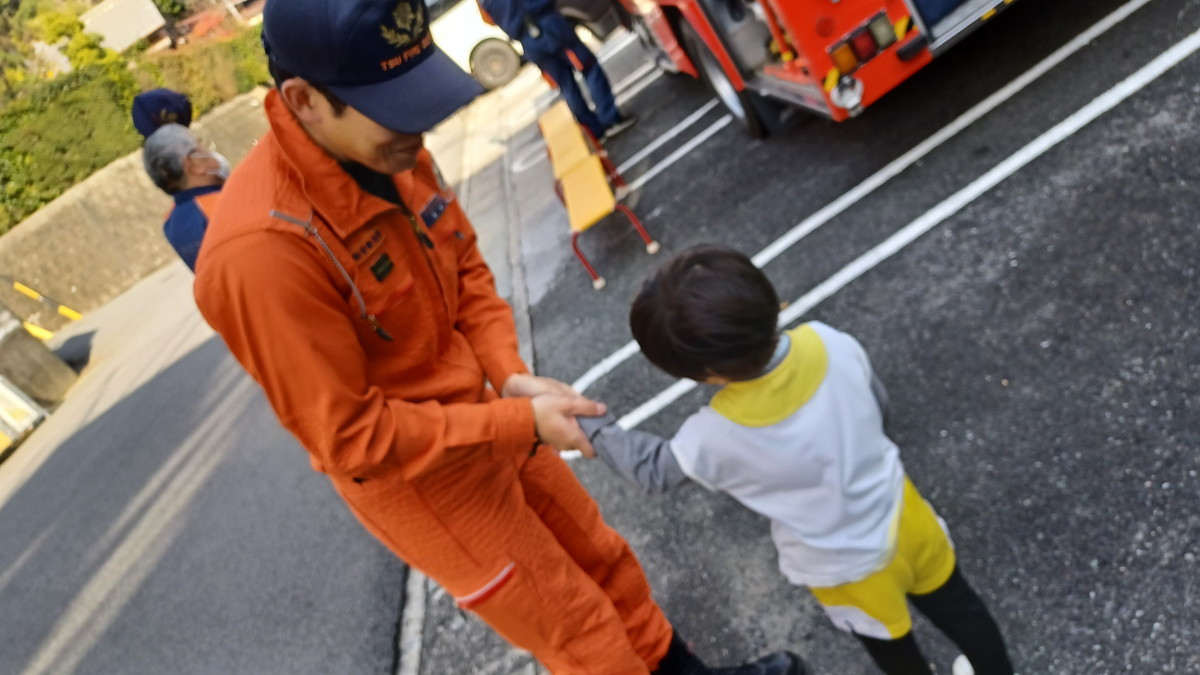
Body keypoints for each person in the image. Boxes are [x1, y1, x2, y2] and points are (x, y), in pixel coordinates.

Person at [193, 1, 800, 673]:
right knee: (576, 626)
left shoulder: (389, 148)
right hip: (428, 484)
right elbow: (352, 437)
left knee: (601, 557)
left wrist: (508, 374)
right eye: (396, 108)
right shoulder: (261, 253)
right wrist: (516, 421)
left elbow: (465, 267)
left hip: (491, 413)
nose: (420, 130)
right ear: (304, 100)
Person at [578, 245, 1015, 675]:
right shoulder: (829, 341)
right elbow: (879, 408)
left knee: (895, 652)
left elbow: (652, 470)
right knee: (962, 610)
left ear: (707, 374)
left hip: (843, 567)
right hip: (904, 516)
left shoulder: (712, 436)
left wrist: (592, 423)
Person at [478, 0, 634, 139]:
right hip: (548, 25)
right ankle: (610, 119)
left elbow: (488, 20)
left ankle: (594, 131)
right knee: (588, 67)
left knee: (566, 85)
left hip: (527, 41)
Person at [140, 122, 228, 271]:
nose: (210, 152)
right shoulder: (222, 205)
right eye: (202, 144)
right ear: (193, 164)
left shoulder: (171, 222)